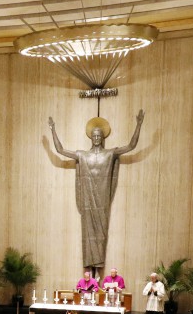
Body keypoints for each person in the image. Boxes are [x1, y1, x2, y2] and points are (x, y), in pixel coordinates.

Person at [48, 110, 144, 271]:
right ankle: (89, 269)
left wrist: (139, 124)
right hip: (88, 201)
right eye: (94, 136)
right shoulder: (83, 155)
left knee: (101, 234)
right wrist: (53, 130)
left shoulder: (109, 154)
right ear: (91, 137)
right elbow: (61, 151)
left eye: (99, 135)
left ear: (103, 137)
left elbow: (131, 146)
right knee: (87, 233)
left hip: (102, 202)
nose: (97, 138)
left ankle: (99, 266)